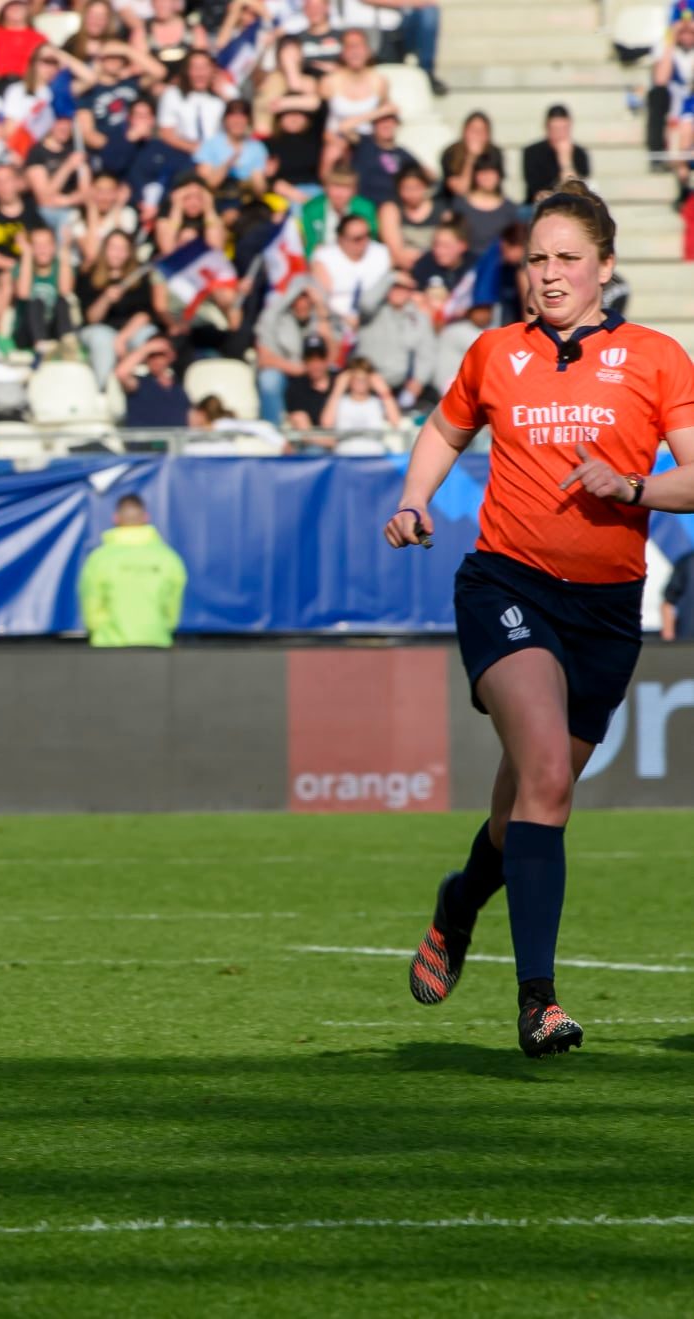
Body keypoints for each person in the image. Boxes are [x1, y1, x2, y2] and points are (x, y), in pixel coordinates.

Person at [385, 181, 694, 1059]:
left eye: (566, 259)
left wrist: (628, 485)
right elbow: (444, 431)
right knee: (549, 774)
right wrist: (414, 498)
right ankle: (537, 1002)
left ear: (604, 267)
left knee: (524, 803)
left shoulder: (657, 357)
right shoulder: (493, 352)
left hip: (605, 611)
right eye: (536, 260)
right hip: (504, 583)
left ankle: (457, 902)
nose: (549, 275)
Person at [78, 495, 184, 647]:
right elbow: (172, 613)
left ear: (116, 518)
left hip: (108, 647)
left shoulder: (99, 559)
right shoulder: (169, 558)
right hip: (157, 645)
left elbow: (91, 609)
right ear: (146, 518)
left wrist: (104, 631)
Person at [521, 104, 591, 205]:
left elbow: (578, 190)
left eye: (563, 129)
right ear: (547, 128)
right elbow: (537, 191)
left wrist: (565, 161)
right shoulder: (532, 152)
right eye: (555, 129)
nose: (559, 134)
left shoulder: (580, 154)